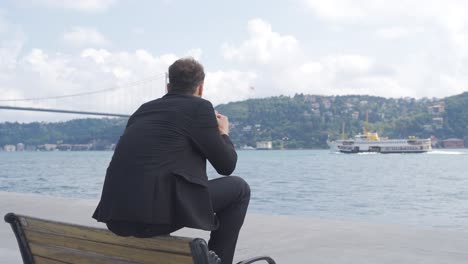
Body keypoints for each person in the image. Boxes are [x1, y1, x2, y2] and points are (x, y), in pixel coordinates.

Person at [92, 57, 250, 264]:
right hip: (153, 220)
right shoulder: (200, 108)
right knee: (239, 189)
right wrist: (223, 133)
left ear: (168, 86)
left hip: (116, 218)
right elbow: (227, 166)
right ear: (200, 88)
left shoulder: (142, 111)